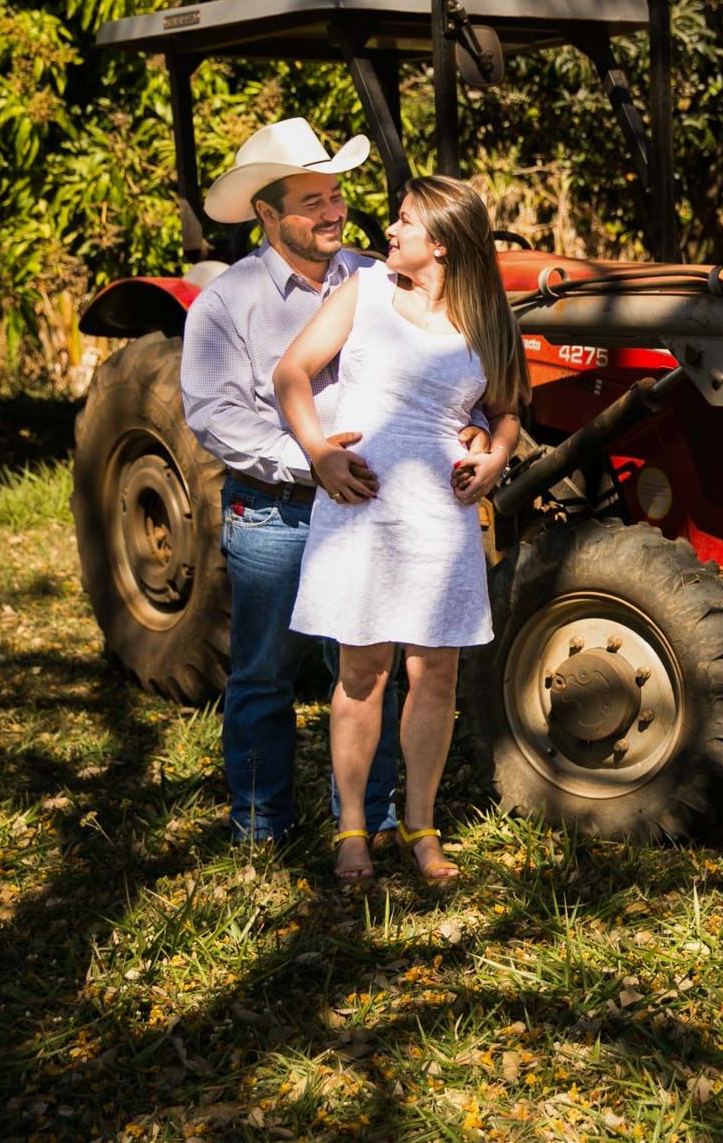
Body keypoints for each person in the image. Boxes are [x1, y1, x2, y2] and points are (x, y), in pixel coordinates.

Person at [181, 118, 494, 844]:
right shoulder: (229, 302)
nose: (334, 212)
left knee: (369, 673)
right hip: (277, 510)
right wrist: (314, 459)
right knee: (265, 674)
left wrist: (472, 424)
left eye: (335, 195)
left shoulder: (379, 274)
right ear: (268, 214)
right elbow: (215, 414)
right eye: (312, 201)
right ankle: (262, 824)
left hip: (376, 512)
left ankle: (372, 819)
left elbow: (441, 366)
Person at [275, 175, 527, 883]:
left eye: (406, 220)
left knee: (435, 672)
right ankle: (353, 828)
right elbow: (292, 371)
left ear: (441, 243)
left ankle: (421, 825)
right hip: (360, 508)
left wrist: (497, 456)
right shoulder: (366, 293)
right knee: (362, 671)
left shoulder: (489, 319)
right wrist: (319, 451)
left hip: (438, 518)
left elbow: (506, 409)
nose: (389, 228)